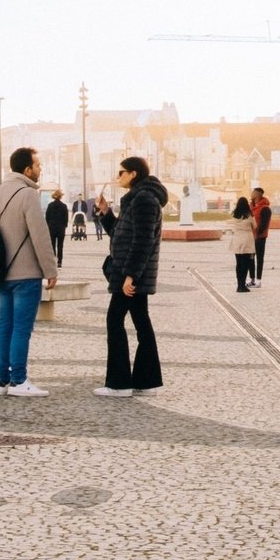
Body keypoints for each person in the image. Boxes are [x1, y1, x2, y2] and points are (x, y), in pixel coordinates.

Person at [0, 146, 59, 397]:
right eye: (38, 166)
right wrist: (51, 269)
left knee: (4, 325)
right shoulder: (28, 195)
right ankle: (19, 381)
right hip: (26, 273)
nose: (40, 170)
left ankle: (1, 381)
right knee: (21, 329)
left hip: (0, 272)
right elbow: (40, 236)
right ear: (27, 169)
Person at [95, 156, 166, 398]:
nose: (119, 177)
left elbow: (143, 241)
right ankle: (146, 383)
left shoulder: (144, 199)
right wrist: (106, 213)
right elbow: (119, 234)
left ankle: (119, 384)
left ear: (134, 174)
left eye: (121, 172)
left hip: (130, 274)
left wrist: (130, 276)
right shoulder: (136, 199)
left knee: (114, 321)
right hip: (128, 271)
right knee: (141, 322)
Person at [221, 198, 256, 293]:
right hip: (247, 240)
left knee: (239, 264)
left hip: (237, 239)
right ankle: (243, 285)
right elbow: (255, 226)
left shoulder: (234, 214)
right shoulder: (249, 214)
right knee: (245, 264)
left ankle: (239, 285)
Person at [250, 187, 272, 288]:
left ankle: (258, 280)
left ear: (258, 195)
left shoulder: (265, 208)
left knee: (259, 258)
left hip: (260, 237)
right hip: (250, 237)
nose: (251, 194)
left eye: (253, 192)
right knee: (250, 258)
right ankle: (252, 279)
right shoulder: (251, 207)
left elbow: (264, 224)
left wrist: (257, 235)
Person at [45, 189, 69, 267]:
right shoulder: (64, 206)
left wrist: (49, 225)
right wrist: (64, 226)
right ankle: (59, 261)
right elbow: (66, 218)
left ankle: (53, 260)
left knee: (52, 244)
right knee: (60, 245)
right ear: (61, 197)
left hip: (52, 228)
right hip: (61, 228)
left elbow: (47, 217)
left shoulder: (50, 205)